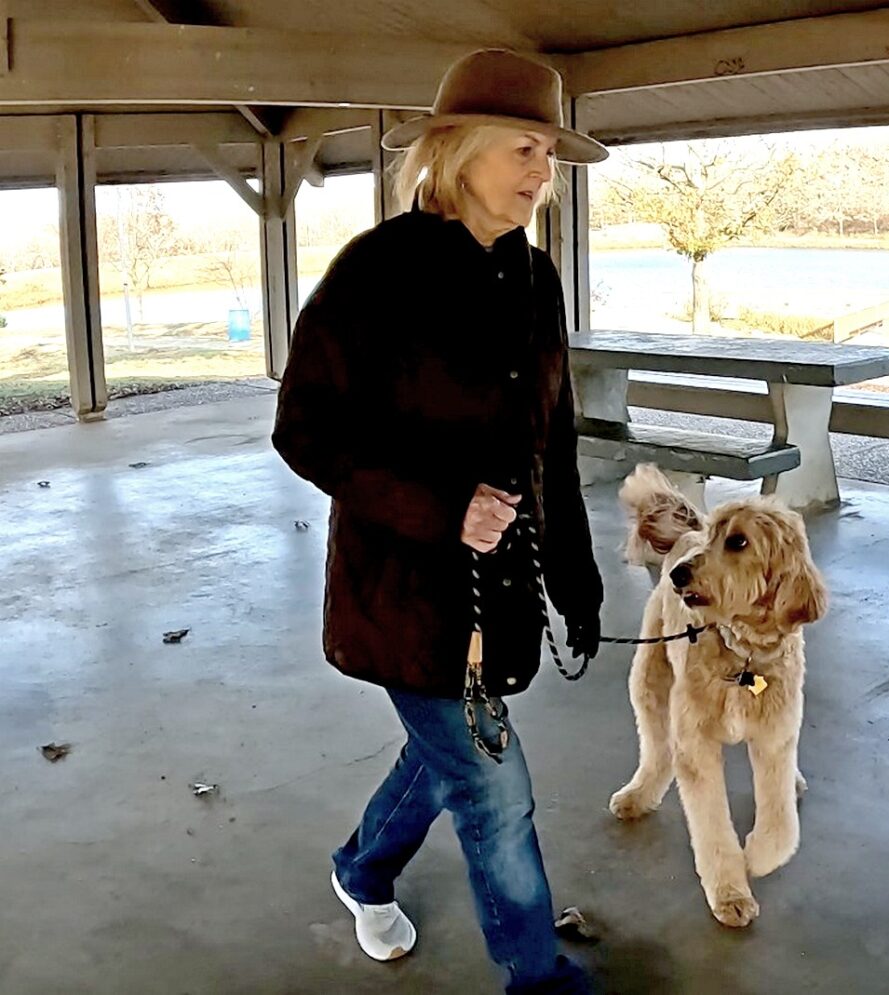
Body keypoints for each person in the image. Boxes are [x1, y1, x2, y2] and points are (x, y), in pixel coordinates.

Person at [272, 48, 606, 994]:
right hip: (403, 595)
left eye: (549, 155)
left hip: (496, 598)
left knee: (447, 752)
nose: (544, 175)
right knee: (496, 790)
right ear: (457, 150)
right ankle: (536, 978)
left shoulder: (539, 281)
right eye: (526, 150)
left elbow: (557, 444)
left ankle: (363, 867)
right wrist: (438, 506)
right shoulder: (375, 274)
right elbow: (302, 428)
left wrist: (573, 583)